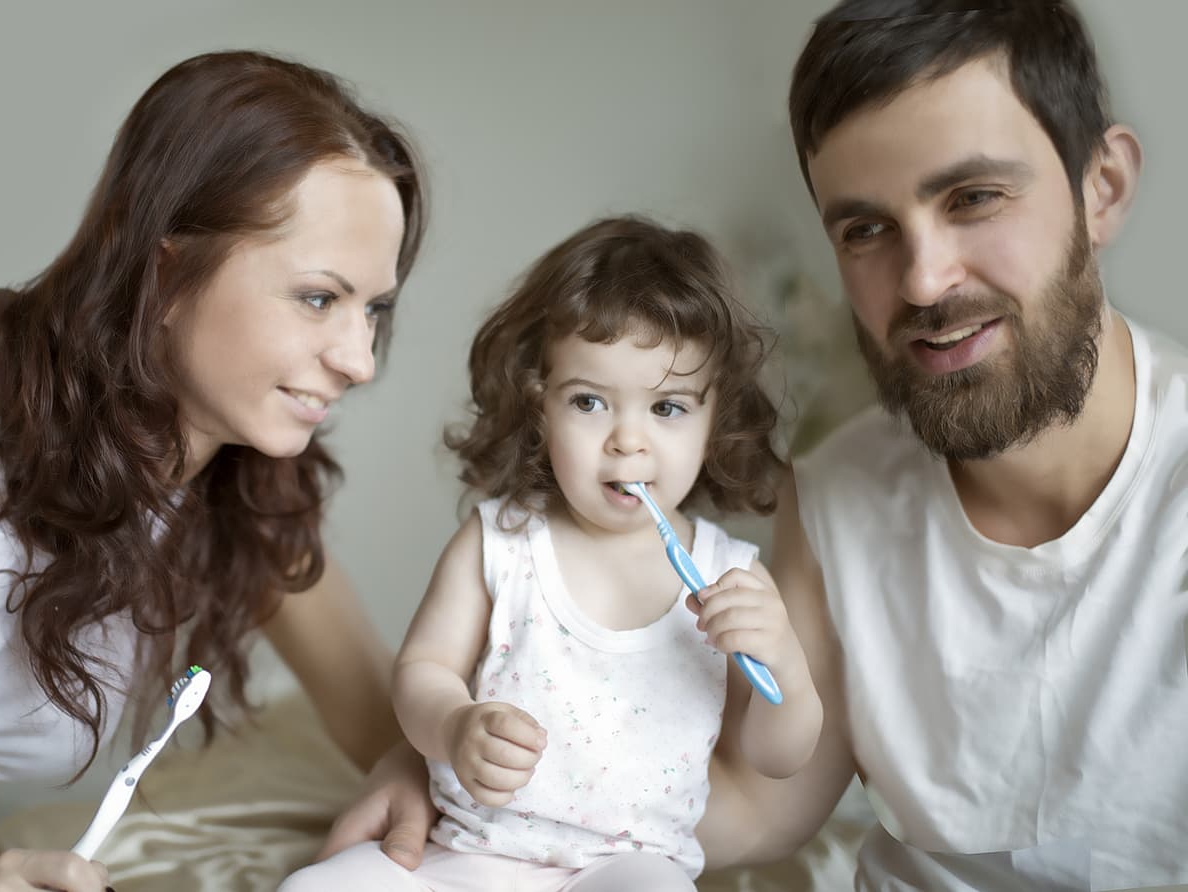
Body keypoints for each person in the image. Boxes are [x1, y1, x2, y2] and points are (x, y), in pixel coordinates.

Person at [0, 50, 435, 891]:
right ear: (165, 268)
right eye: (317, 298)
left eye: (374, 308)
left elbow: (384, 724)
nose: (360, 359)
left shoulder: (235, 491)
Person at [732, 1, 1188, 890]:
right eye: (865, 229)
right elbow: (760, 804)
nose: (924, 278)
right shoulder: (834, 495)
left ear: (1105, 187)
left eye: (974, 198)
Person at [277, 216, 825, 891]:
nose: (629, 441)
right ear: (539, 408)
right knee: (317, 886)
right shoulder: (500, 542)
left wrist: (786, 669)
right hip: (464, 856)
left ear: (716, 419)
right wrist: (454, 726)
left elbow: (777, 757)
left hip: (621, 869)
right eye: (590, 402)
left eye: (669, 408)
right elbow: (422, 670)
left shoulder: (732, 575)